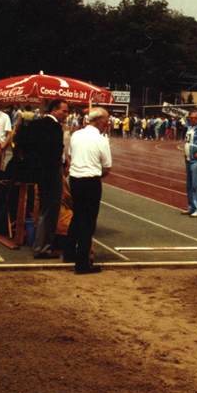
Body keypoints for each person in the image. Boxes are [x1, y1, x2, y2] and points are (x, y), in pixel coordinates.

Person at [66, 107, 112, 274]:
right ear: (99, 120)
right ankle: (82, 263)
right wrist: (96, 174)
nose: (108, 123)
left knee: (77, 216)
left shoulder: (76, 135)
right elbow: (107, 166)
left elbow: (70, 156)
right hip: (91, 181)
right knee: (88, 222)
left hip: (75, 179)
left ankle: (69, 252)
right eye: (106, 119)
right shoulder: (101, 139)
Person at [29, 99, 69, 259]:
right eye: (64, 111)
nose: (66, 114)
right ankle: (43, 248)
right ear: (54, 110)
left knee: (44, 210)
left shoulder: (36, 124)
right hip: (51, 173)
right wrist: (61, 164)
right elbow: (55, 152)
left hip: (40, 173)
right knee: (50, 211)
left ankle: (40, 245)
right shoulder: (54, 127)